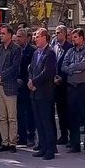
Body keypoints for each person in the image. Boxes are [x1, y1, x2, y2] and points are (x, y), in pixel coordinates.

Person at [61, 28, 85, 155]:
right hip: (71, 87)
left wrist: (72, 67)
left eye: (75, 37)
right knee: (72, 116)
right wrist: (74, 69)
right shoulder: (70, 51)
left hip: (83, 87)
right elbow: (64, 66)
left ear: (81, 38)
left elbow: (84, 65)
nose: (72, 39)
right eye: (72, 37)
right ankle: (74, 144)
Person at [28, 28, 57, 161]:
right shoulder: (35, 53)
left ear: (45, 37)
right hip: (34, 93)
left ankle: (50, 150)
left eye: (38, 36)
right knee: (39, 122)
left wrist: (34, 81)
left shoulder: (50, 53)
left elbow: (47, 72)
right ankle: (42, 147)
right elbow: (32, 69)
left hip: (44, 93)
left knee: (46, 122)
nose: (35, 38)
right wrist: (30, 80)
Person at [0, 24, 22, 152]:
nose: (1, 35)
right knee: (1, 116)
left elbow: (15, 67)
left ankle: (12, 142)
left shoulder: (16, 49)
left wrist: (1, 76)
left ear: (9, 35)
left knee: (11, 117)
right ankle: (4, 142)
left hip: (9, 86)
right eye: (0, 33)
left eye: (3, 33)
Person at [16, 27, 36, 147]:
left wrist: (26, 80)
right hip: (17, 86)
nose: (17, 39)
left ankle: (31, 136)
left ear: (25, 37)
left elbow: (32, 68)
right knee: (19, 113)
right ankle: (21, 136)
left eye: (20, 37)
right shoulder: (16, 50)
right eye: (16, 36)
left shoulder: (32, 51)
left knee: (29, 112)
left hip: (27, 85)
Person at [53, 25, 72, 146]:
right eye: (55, 32)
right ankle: (63, 135)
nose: (56, 34)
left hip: (67, 84)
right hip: (56, 84)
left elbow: (70, 65)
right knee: (59, 111)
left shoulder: (69, 48)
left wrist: (63, 78)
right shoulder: (54, 47)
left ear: (64, 34)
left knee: (68, 111)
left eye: (59, 32)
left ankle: (71, 136)